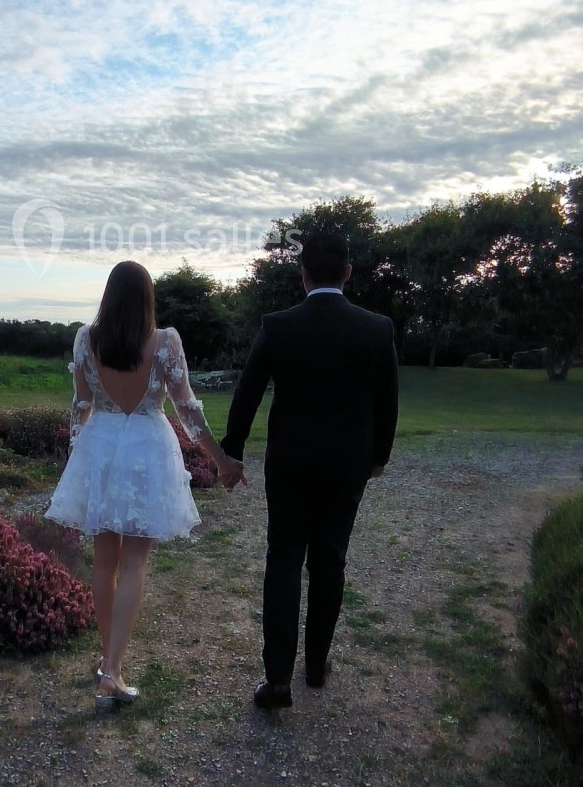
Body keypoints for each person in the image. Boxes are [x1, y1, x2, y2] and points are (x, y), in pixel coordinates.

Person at [46, 260, 246, 709]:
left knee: (103, 562)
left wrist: (81, 451)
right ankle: (112, 671)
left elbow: (80, 405)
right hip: (146, 450)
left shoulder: (85, 339)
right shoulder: (165, 342)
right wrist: (221, 459)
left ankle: (108, 663)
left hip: (102, 446)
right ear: (147, 300)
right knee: (133, 563)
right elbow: (187, 409)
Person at [220, 231, 398, 709]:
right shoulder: (377, 328)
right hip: (347, 466)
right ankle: (316, 666)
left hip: (291, 464)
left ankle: (277, 679)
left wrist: (232, 452)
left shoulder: (278, 326)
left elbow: (248, 393)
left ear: (303, 276)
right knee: (330, 560)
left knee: (283, 559)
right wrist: (378, 457)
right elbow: (387, 403)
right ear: (347, 273)